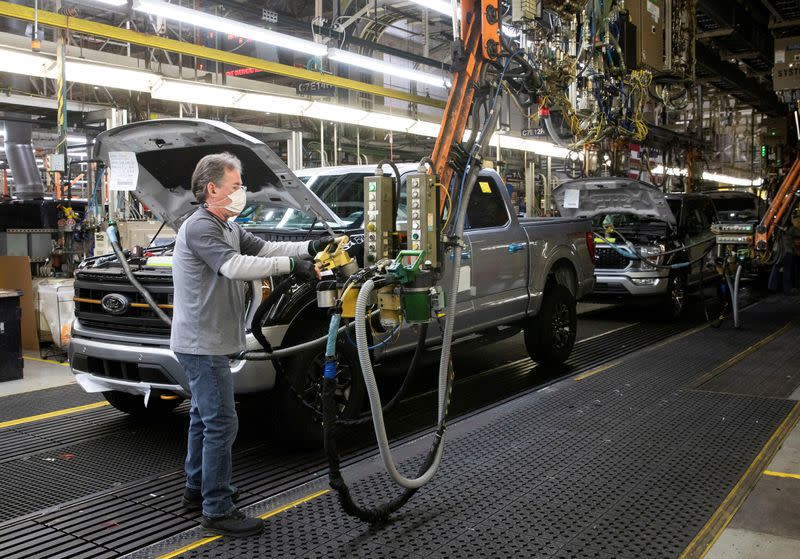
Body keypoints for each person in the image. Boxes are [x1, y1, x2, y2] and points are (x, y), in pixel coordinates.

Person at [170, 152, 337, 536]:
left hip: (209, 341)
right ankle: (217, 508)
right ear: (213, 189)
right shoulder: (200, 227)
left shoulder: (226, 224)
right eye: (237, 185)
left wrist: (310, 249)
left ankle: (196, 491)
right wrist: (292, 268)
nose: (242, 192)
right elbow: (234, 266)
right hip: (201, 344)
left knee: (203, 418)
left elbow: (265, 248)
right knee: (222, 423)